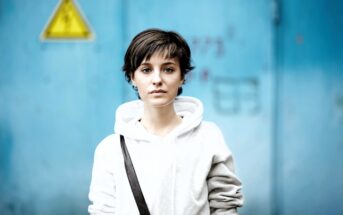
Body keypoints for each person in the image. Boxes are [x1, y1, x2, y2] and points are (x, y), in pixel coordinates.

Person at [88, 28, 244, 215]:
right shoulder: (110, 149)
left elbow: (225, 204)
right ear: (132, 77)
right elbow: (103, 210)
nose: (157, 80)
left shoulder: (208, 137)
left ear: (182, 77)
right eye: (146, 70)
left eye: (168, 69)